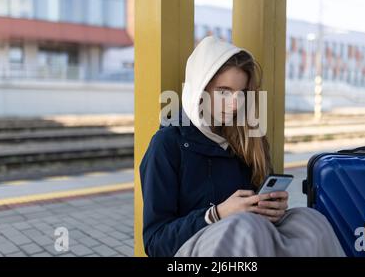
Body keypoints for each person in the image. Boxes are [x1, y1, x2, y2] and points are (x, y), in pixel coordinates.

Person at [139, 36, 345, 257]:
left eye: (242, 93)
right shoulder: (168, 144)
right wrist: (216, 214)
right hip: (195, 248)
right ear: (200, 90)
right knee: (245, 228)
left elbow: (256, 208)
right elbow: (155, 242)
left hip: (250, 238)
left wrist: (271, 207)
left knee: (310, 221)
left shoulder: (250, 139)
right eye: (224, 91)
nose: (235, 104)